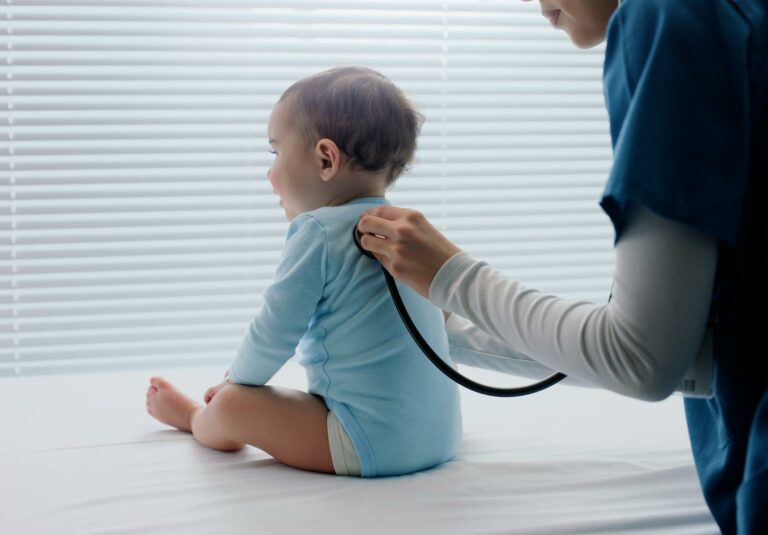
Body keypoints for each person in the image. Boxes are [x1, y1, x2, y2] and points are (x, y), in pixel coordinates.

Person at [356, 0, 766, 532]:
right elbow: (703, 349)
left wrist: (450, 276)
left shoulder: (668, 21)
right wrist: (445, 331)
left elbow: (641, 360)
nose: (538, 4)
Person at [146, 66, 462, 478]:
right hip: (440, 437)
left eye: (275, 153)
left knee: (233, 405)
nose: (269, 172)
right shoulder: (407, 232)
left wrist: (235, 381)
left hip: (371, 444)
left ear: (326, 160)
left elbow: (274, 331)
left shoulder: (318, 231)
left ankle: (195, 418)